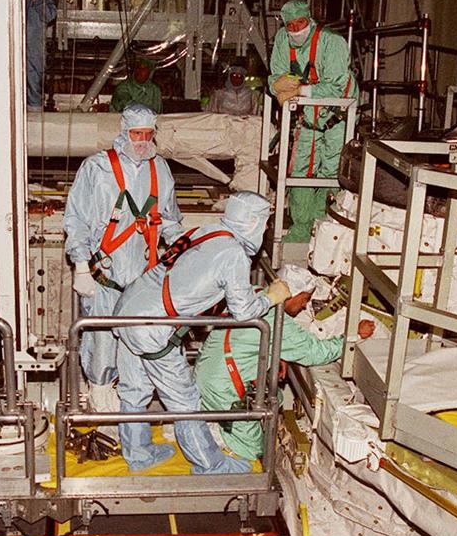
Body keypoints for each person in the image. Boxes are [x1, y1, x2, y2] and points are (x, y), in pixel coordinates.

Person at [112, 191, 292, 474]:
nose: (266, 229)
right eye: (265, 223)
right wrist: (271, 297)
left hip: (128, 309)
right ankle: (210, 465)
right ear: (253, 222)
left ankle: (139, 455)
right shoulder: (233, 254)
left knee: (134, 390)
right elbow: (244, 311)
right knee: (185, 401)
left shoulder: (206, 232)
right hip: (151, 327)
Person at [64, 104, 184, 439]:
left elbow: (170, 219)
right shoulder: (97, 168)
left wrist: (182, 249)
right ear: (123, 131)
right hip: (105, 275)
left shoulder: (160, 169)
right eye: (136, 134)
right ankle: (101, 407)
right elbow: (76, 219)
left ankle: (135, 415)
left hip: (144, 278)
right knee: (102, 344)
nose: (142, 141)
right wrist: (80, 264)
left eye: (148, 134)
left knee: (145, 345)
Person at [196, 265, 375, 461]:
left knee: (277, 397)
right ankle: (217, 435)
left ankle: (218, 425)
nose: (304, 306)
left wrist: (276, 354)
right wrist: (354, 335)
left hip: (208, 370)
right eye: (304, 299)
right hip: (223, 389)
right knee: (255, 452)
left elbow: (250, 338)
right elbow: (315, 353)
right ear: (291, 295)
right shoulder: (276, 318)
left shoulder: (256, 293)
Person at [268, 0, 353, 242]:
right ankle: (301, 229)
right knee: (300, 171)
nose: (296, 29)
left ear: (310, 20)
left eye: (301, 23)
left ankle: (322, 228)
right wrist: (277, 85)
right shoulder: (283, 40)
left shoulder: (332, 42)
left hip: (338, 114)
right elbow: (279, 74)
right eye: (290, 25)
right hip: (308, 115)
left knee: (331, 172)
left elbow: (336, 87)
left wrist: (300, 91)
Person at [25, 0, 57, 110]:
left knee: (34, 83)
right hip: (12, 47)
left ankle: (35, 111)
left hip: (34, 50)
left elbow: (50, 16)